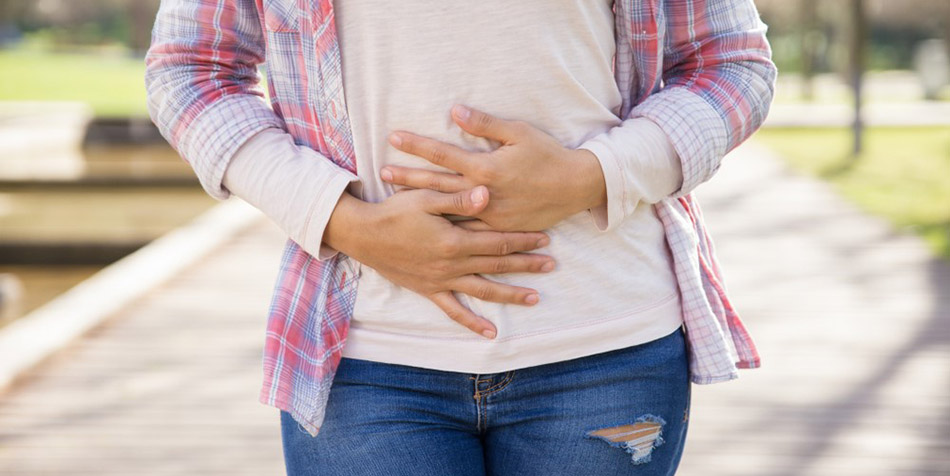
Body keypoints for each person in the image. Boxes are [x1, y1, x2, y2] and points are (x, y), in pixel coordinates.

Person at [145, 0, 775, 473]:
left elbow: (731, 64)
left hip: (607, 352)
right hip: (365, 357)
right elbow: (190, 72)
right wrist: (343, 220)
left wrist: (593, 176)